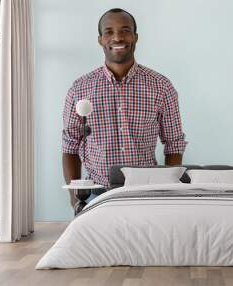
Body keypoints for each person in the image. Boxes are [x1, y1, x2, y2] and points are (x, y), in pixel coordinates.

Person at [62, 8, 187, 208]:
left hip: (147, 192)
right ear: (100, 39)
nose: (118, 37)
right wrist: (75, 198)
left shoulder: (161, 86)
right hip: (96, 193)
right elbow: (70, 145)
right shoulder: (80, 88)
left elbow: (174, 143)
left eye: (125, 30)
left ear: (135, 37)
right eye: (109, 32)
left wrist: (168, 189)